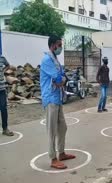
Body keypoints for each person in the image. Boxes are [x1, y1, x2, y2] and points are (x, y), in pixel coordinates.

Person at [40, 35, 75, 169]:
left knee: (63, 127)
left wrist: (61, 80)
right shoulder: (47, 60)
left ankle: (61, 153)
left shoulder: (55, 59)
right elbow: (59, 79)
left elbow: (62, 78)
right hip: (50, 98)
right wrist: (60, 80)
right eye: (59, 45)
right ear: (53, 45)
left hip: (58, 98)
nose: (61, 48)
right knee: (52, 130)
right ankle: (53, 158)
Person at [0, 56, 14, 136]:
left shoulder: (2, 58)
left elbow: (8, 65)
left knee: (3, 109)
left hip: (2, 88)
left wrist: (3, 70)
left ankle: (5, 129)